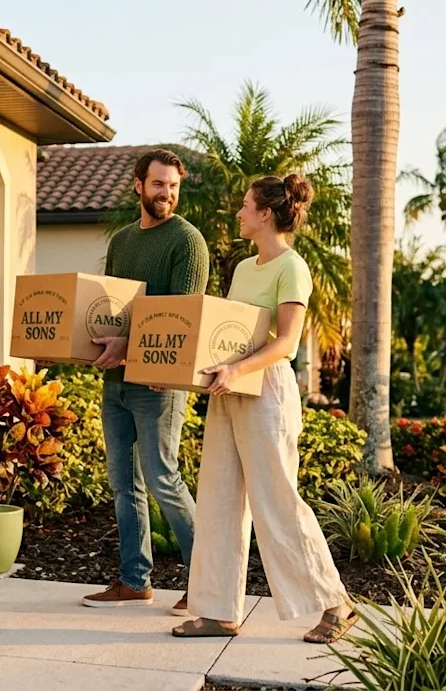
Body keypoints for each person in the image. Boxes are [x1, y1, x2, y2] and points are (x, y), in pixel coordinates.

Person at [171, 174, 357, 644]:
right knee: (217, 497)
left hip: (266, 390)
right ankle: (216, 611)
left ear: (266, 214)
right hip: (229, 388)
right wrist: (197, 370)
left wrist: (237, 370)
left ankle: (336, 603)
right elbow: (230, 335)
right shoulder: (244, 268)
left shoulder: (291, 268)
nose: (239, 212)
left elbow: (287, 343)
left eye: (246, 206)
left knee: (275, 501)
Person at [81, 149, 209, 614]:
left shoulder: (187, 241)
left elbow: (184, 318)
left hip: (158, 381)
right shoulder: (122, 241)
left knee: (162, 479)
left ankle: (207, 582)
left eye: (173, 186)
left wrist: (135, 351)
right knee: (123, 483)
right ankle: (135, 580)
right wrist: (94, 339)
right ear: (138, 185)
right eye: (158, 185)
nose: (167, 194)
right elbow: (117, 304)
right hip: (115, 378)